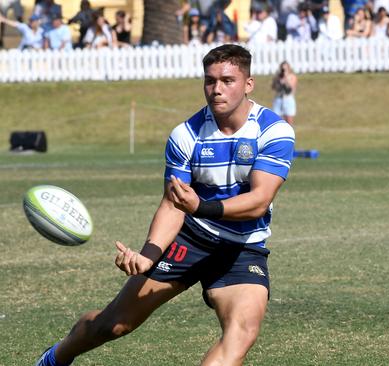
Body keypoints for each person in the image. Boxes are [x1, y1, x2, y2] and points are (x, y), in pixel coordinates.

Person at [35, 44, 296, 366]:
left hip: (243, 247)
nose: (216, 90)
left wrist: (200, 206)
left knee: (241, 332)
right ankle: (54, 358)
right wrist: (148, 257)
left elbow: (259, 202)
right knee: (115, 324)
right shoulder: (186, 135)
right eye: (210, 81)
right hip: (190, 239)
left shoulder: (273, 130)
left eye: (228, 80)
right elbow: (173, 206)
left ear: (248, 83)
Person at [271, 61, 297, 125]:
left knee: (289, 122)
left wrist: (286, 79)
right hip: (279, 98)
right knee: (277, 121)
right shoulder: (278, 76)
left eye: (285, 69)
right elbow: (273, 87)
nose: (283, 70)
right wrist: (277, 80)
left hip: (288, 98)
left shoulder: (292, 76)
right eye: (282, 69)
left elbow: (292, 88)